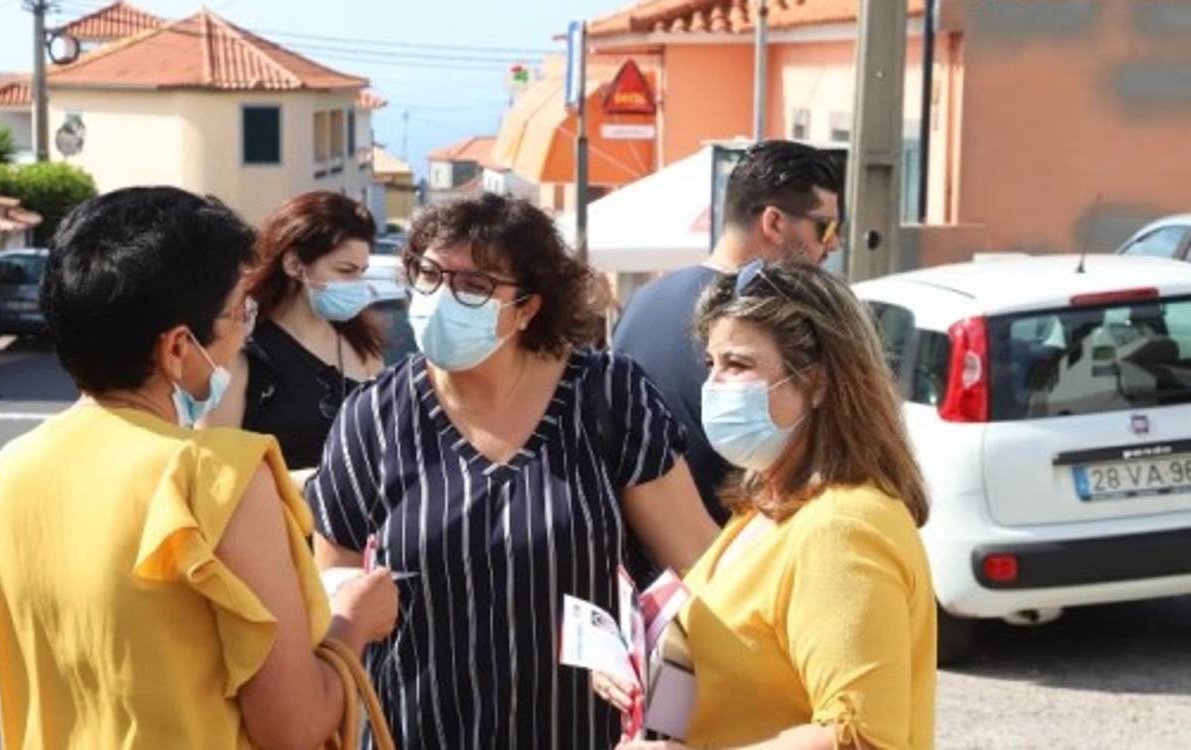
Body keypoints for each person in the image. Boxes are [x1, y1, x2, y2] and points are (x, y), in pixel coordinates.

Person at [0, 187, 398, 750]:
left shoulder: (14, 468)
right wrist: (353, 622)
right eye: (236, 314)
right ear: (178, 348)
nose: (243, 332)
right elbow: (294, 728)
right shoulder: (218, 477)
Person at [307, 194, 720, 750]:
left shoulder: (608, 396)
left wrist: (675, 714)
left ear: (528, 308)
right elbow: (333, 609)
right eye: (428, 274)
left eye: (474, 286)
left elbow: (704, 574)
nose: (440, 297)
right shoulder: (374, 417)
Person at [596, 261, 936, 750]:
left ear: (818, 382)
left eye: (738, 364)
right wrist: (630, 663)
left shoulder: (841, 527)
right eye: (711, 364)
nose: (714, 385)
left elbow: (860, 736)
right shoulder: (767, 505)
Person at [611, 140, 842, 523]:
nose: (833, 243)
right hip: (727, 556)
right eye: (825, 226)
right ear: (774, 223)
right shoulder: (764, 321)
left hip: (648, 562)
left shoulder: (643, 301)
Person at [200, 191, 386, 471]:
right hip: (275, 513)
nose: (357, 284)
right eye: (346, 270)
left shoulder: (364, 347)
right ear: (294, 265)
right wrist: (317, 485)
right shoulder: (241, 354)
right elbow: (217, 472)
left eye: (362, 271)